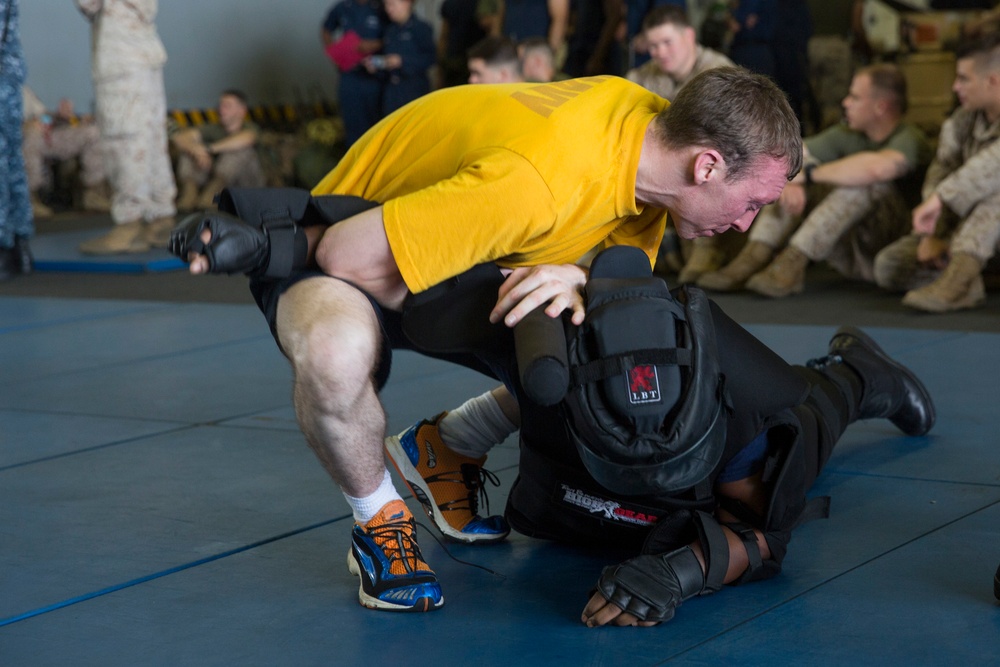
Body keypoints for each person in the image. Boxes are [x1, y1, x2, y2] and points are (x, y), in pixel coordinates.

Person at [171, 67, 804, 617]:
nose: (746, 224)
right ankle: (378, 519)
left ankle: (447, 444)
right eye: (752, 204)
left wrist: (578, 274)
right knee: (337, 358)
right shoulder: (539, 181)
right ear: (708, 164)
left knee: (605, 332)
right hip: (345, 237)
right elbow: (343, 253)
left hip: (462, 234)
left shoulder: (644, 132)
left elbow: (613, 291)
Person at [698, 64, 931, 297]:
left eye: (855, 97)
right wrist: (793, 180)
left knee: (863, 183)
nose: (846, 102)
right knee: (785, 176)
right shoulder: (847, 134)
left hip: (895, 249)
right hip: (853, 247)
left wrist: (807, 175)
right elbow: (795, 152)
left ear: (881, 107)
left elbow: (878, 169)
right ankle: (754, 255)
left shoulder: (909, 138)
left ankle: (795, 260)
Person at [873, 33, 1000, 313]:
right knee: (889, 266)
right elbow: (940, 170)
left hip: (989, 225)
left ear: (993, 81)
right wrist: (934, 234)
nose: (956, 87)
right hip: (965, 234)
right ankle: (970, 277)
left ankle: (957, 282)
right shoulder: (961, 122)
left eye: (963, 78)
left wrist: (940, 199)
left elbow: (993, 163)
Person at [625, 4, 735, 283]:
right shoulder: (643, 77)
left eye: (666, 42)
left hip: (714, 165)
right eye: (652, 46)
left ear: (688, 36)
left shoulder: (719, 73)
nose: (659, 52)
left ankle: (703, 249)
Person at [75, 0, 177, 255]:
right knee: (152, 136)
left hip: (119, 54)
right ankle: (160, 217)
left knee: (124, 139)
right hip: (144, 49)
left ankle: (129, 224)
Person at [172, 90, 265, 212]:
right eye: (220, 105)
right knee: (188, 151)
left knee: (238, 152)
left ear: (242, 111)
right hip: (213, 180)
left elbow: (246, 139)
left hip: (247, 184)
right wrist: (196, 150)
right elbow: (180, 138)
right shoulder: (214, 128)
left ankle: (211, 199)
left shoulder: (249, 128)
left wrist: (209, 149)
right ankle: (189, 195)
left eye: (227, 106)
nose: (221, 109)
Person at [22, 87, 109, 219]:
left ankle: (93, 192)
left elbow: (43, 116)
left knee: (93, 133)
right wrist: (26, 125)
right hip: (18, 138)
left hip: (44, 136)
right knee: (31, 135)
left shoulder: (21, 90)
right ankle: (28, 199)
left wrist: (61, 117)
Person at [321, 0, 384, 146]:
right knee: (352, 126)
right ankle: (355, 165)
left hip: (375, 77)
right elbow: (326, 29)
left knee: (377, 126)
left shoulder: (382, 7)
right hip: (349, 76)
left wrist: (372, 45)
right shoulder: (343, 7)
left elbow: (394, 37)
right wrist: (334, 53)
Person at [0, 0, 32, 281]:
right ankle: (19, 246)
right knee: (11, 161)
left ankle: (6, 245)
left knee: (5, 163)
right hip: (7, 82)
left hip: (3, 82)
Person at [367, 0, 435, 117]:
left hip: (414, 91)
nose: (388, 9)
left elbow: (432, 58)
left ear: (406, 3)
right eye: (386, 5)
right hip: (391, 92)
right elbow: (386, 62)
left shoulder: (421, 28)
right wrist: (377, 66)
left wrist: (402, 61)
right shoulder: (389, 31)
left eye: (392, 4)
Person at [438, 0, 489, 88]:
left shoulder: (482, 3)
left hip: (473, 58)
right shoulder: (450, 3)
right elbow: (444, 34)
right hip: (454, 60)